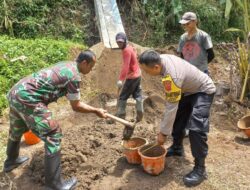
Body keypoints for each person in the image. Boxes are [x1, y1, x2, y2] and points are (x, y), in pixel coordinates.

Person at [3, 50, 107, 190]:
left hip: (16, 93)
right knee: (53, 134)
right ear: (84, 63)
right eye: (91, 66)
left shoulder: (67, 65)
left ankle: (11, 161)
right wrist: (96, 110)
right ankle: (54, 185)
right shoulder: (74, 76)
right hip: (28, 98)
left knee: (17, 128)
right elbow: (76, 106)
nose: (91, 69)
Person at [139, 50, 216, 187]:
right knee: (179, 117)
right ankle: (177, 147)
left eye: (146, 71)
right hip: (188, 90)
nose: (146, 74)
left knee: (196, 128)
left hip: (203, 89)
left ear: (156, 67)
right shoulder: (160, 60)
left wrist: (163, 133)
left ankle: (200, 169)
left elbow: (170, 107)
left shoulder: (172, 76)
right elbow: (173, 107)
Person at [115, 32, 144, 139]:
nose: (119, 44)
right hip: (138, 74)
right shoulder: (130, 47)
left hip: (132, 77)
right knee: (137, 94)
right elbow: (135, 54)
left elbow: (126, 66)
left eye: (121, 42)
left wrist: (121, 80)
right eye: (118, 42)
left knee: (123, 96)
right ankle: (140, 112)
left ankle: (121, 115)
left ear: (125, 41)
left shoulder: (126, 50)